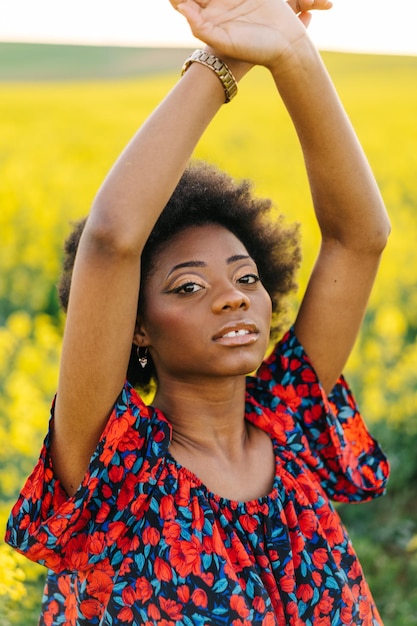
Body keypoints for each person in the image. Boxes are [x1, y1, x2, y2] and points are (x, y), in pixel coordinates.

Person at [5, 0, 391, 624]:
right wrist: (224, 60)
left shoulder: (287, 419)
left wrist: (291, 51)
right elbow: (110, 242)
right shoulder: (117, 470)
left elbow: (359, 238)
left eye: (247, 277)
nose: (235, 296)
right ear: (136, 325)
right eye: (188, 287)